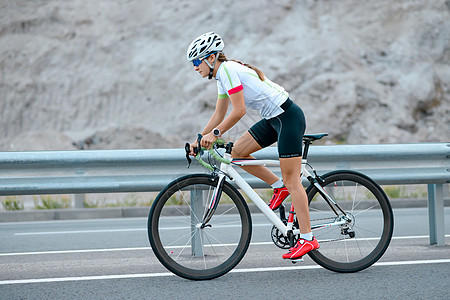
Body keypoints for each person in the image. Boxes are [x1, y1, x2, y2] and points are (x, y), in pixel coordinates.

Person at [186, 32, 319, 260]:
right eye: (193, 63)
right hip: (273, 119)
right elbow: (219, 113)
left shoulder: (227, 70)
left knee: (293, 179)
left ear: (211, 58)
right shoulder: (222, 75)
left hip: (288, 118)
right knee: (236, 153)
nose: (195, 67)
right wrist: (200, 138)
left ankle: (308, 238)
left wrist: (215, 134)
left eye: (197, 62)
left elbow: (239, 111)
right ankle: (279, 186)